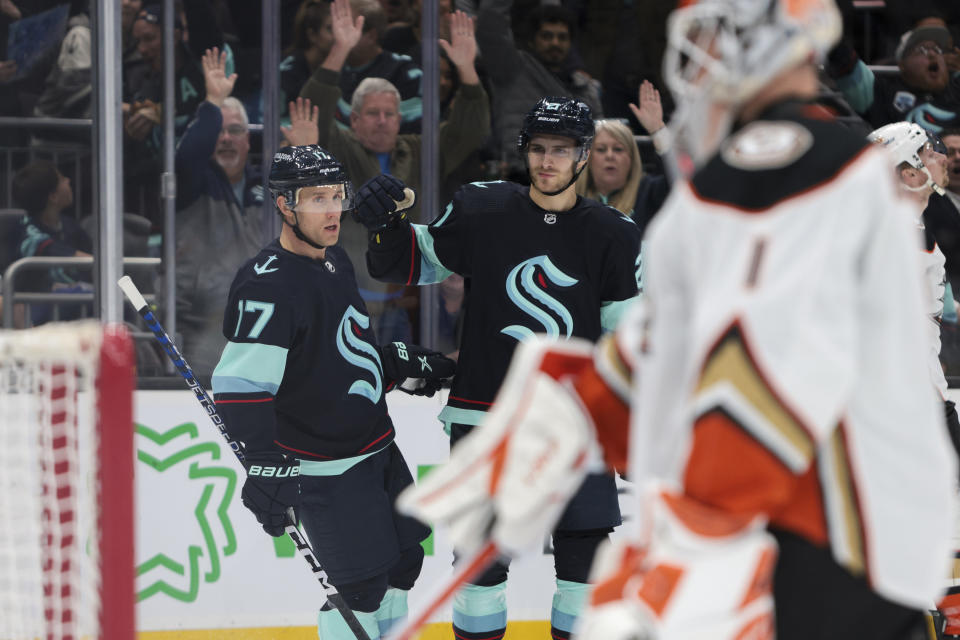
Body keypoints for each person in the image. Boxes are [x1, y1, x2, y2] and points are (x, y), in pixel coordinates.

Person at [398, 1, 958, 639]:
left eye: (717, 37)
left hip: (816, 514)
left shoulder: (779, 166)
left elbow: (749, 347)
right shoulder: (815, 161)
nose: (704, 61)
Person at [353, 95, 641, 640]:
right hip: (485, 419)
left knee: (584, 574)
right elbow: (407, 263)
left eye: (561, 150)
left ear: (582, 157)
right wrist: (386, 226)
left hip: (578, 427)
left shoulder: (615, 235)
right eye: (538, 149)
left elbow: (628, 347)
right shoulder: (482, 211)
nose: (547, 161)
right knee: (480, 571)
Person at [210, 144, 455, 640]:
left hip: (378, 451)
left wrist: (393, 367)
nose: (331, 210)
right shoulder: (267, 285)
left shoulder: (335, 261)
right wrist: (261, 460)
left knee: (404, 565)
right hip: (326, 469)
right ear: (284, 205)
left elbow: (336, 354)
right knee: (359, 590)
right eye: (315, 198)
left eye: (336, 196)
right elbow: (240, 386)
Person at [295, 0, 489, 341]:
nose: (383, 121)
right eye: (372, 114)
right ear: (354, 120)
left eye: (390, 114)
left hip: (409, 302)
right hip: (346, 297)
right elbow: (315, 108)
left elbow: (469, 130)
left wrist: (467, 70)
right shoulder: (339, 150)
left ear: (401, 119)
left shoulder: (419, 150)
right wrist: (341, 49)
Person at [171, 47, 266, 380]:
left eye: (236, 131)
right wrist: (211, 103)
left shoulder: (266, 190)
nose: (226, 139)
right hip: (200, 327)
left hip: (262, 328)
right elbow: (187, 156)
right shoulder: (193, 183)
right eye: (219, 132)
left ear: (248, 141)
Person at [476, 1, 603, 180]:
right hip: (519, 178)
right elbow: (490, 27)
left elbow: (599, 146)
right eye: (547, 36)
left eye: (562, 37)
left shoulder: (586, 89)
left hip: (573, 185)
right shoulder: (512, 69)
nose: (555, 43)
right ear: (532, 40)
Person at [575, 80, 671, 238]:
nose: (610, 155)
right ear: (588, 158)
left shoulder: (649, 191)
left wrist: (658, 130)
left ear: (632, 157)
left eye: (618, 149)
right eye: (601, 149)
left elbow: (678, 181)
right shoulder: (571, 198)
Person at [828, 22, 960, 132]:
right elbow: (842, 57)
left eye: (937, 50)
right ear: (902, 64)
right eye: (922, 50)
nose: (932, 54)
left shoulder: (956, 88)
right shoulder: (882, 94)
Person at [10, 159, 92, 325]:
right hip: (36, 307)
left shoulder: (71, 226)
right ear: (53, 197)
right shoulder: (29, 234)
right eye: (62, 179)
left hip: (76, 303)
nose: (68, 180)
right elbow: (77, 257)